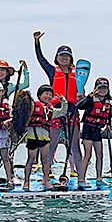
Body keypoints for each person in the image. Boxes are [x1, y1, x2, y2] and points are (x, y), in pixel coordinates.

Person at [33, 31, 82, 173]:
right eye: (62, 56)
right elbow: (40, 59)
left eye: (67, 56)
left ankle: (81, 177)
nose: (64, 58)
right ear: (57, 58)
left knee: (75, 146)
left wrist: (81, 96)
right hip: (55, 111)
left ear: (71, 58)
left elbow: (81, 91)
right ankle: (46, 176)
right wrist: (37, 42)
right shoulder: (53, 71)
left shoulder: (77, 73)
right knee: (51, 144)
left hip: (72, 111)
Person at [24, 84, 67, 190]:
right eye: (46, 94)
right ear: (39, 95)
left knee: (45, 160)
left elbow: (63, 112)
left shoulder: (51, 110)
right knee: (31, 159)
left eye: (50, 95)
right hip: (32, 137)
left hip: (45, 138)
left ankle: (46, 180)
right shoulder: (33, 105)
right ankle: (26, 181)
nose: (48, 96)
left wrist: (63, 101)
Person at [76, 77, 112, 188]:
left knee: (100, 155)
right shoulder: (91, 99)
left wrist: (109, 125)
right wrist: (89, 96)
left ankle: (99, 178)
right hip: (88, 129)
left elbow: (109, 115)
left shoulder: (108, 102)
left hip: (97, 130)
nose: (102, 91)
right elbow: (79, 106)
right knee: (88, 154)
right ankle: (81, 179)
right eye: (100, 88)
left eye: (104, 88)